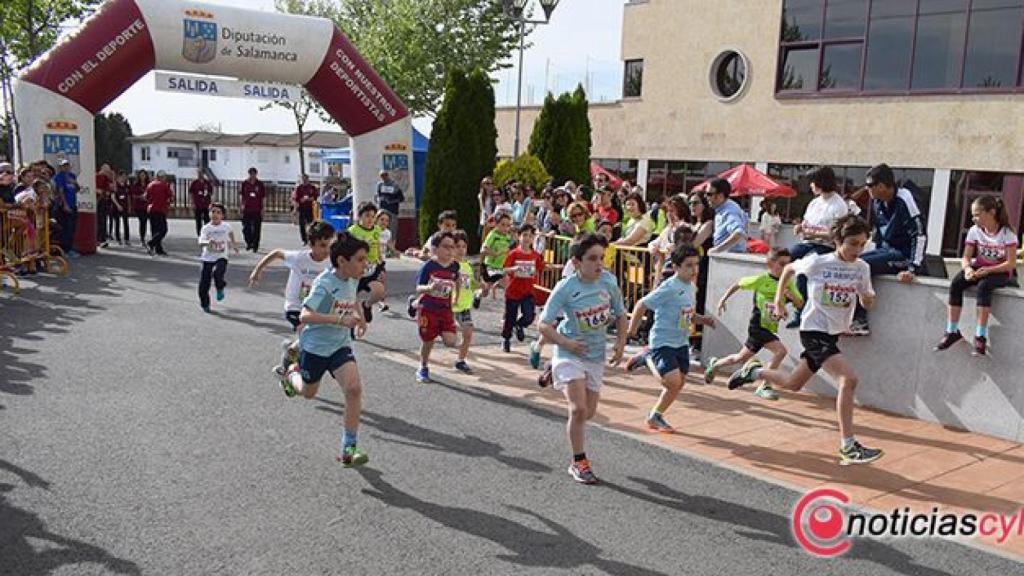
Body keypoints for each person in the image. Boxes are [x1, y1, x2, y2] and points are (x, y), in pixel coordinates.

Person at [727, 214, 884, 466]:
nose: (857, 250)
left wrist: (867, 300)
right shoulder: (818, 262)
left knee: (792, 383)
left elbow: (868, 297)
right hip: (813, 330)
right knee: (849, 380)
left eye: (862, 244)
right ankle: (848, 446)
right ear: (837, 241)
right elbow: (788, 269)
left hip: (832, 333)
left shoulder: (861, 268)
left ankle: (755, 373)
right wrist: (779, 300)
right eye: (852, 243)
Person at [538, 232, 627, 484]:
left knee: (588, 412)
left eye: (602, 258)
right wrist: (565, 343)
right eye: (592, 259)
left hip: (595, 355)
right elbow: (543, 325)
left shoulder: (609, 282)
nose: (599, 264)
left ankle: (550, 370)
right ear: (576, 262)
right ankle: (579, 462)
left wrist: (620, 343)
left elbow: (621, 314)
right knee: (577, 410)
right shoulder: (566, 288)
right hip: (569, 352)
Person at [282, 231, 371, 467]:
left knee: (353, 389)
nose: (365, 264)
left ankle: (348, 448)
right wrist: (340, 321)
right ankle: (290, 373)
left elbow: (352, 301)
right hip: (316, 348)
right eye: (361, 259)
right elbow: (305, 315)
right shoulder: (325, 283)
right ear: (342, 261)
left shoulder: (352, 279)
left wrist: (359, 317)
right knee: (308, 393)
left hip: (340, 345)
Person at [626, 244, 715, 432]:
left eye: (696, 265)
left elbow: (686, 313)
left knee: (678, 383)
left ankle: (655, 416)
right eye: (689, 265)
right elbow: (642, 304)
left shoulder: (691, 287)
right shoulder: (669, 287)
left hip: (681, 341)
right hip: (662, 340)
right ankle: (647, 356)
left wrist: (702, 319)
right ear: (675, 267)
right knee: (671, 382)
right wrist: (631, 330)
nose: (694, 270)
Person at [704, 248, 803, 400]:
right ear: (770, 264)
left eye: (788, 265)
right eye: (782, 264)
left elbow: (800, 303)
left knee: (740, 358)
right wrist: (723, 299)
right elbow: (738, 284)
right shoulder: (761, 280)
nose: (785, 269)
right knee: (780, 351)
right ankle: (764, 385)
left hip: (770, 327)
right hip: (758, 326)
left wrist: (791, 298)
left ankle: (716, 364)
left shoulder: (788, 284)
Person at [249, 220, 336, 386]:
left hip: (315, 310)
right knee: (309, 335)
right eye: (322, 245)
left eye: (329, 245)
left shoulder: (330, 263)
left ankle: (290, 353)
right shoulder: (298, 258)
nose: (326, 250)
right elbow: (276, 253)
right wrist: (257, 270)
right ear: (311, 244)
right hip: (295, 308)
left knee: (312, 337)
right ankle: (291, 368)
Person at [935, 196, 1018, 356]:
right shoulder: (974, 231)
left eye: (977, 214)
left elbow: (1011, 263)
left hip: (999, 271)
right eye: (973, 215)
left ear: (991, 213)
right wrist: (967, 269)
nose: (974, 219)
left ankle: (980, 336)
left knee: (984, 286)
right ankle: (952, 331)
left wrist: (988, 271)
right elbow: (966, 257)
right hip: (980, 267)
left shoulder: (1007, 233)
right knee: (957, 283)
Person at [850, 163, 925, 335]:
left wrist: (913, 267)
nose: (867, 190)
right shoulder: (877, 202)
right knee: (852, 259)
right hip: (886, 249)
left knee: (861, 265)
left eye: (870, 186)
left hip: (903, 254)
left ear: (882, 186)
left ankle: (860, 321)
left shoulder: (905, 199)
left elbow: (919, 234)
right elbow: (879, 232)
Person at [786, 166, 850, 328]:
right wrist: (800, 227)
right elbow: (807, 223)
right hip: (809, 242)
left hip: (827, 246)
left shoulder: (838, 205)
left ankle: (801, 311)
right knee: (785, 257)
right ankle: (785, 295)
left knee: (804, 268)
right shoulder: (814, 203)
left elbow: (836, 234)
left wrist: (813, 234)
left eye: (813, 182)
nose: (811, 186)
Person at [414, 231, 461, 384]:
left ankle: (440, 329)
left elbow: (457, 279)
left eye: (453, 247)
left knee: (450, 341)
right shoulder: (429, 266)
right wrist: (429, 288)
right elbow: (418, 288)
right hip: (428, 308)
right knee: (428, 341)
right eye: (446, 247)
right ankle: (423, 366)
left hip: (445, 309)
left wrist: (456, 296)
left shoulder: (454, 266)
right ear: (435, 249)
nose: (450, 251)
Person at [501, 224, 545, 353]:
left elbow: (541, 266)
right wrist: (513, 269)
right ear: (518, 237)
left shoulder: (535, 255)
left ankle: (519, 325)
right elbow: (504, 269)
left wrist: (556, 267)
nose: (527, 238)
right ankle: (506, 338)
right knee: (510, 317)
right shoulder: (513, 253)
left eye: (530, 236)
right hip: (513, 291)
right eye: (524, 235)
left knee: (529, 315)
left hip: (528, 291)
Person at [197, 203, 240, 313]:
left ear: (223, 216)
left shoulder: (226, 226)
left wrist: (234, 244)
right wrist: (207, 242)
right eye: (213, 212)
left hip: (221, 256)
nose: (215, 214)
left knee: (218, 273)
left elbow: (230, 233)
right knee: (203, 286)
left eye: (218, 212)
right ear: (209, 214)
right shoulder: (206, 228)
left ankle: (220, 287)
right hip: (207, 258)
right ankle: (205, 303)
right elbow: (201, 241)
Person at [347, 202, 387, 323]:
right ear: (359, 217)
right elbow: (346, 249)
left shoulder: (377, 230)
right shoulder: (353, 231)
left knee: (379, 291)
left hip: (371, 268)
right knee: (350, 299)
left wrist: (381, 264)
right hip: (356, 270)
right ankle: (351, 323)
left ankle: (367, 305)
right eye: (367, 216)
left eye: (373, 216)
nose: (370, 219)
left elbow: (378, 247)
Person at [451, 230, 477, 374]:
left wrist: (481, 286)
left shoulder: (467, 265)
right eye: (457, 246)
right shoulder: (449, 265)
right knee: (449, 338)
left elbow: (471, 283)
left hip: (464, 306)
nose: (461, 250)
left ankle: (460, 360)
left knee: (468, 333)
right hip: (449, 306)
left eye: (463, 246)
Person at [478, 212, 514, 301]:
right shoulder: (493, 235)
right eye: (503, 225)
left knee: (509, 286)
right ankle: (477, 295)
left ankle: (511, 308)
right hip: (490, 267)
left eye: (508, 225)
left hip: (502, 267)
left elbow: (510, 248)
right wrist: (495, 254)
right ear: (496, 224)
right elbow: (483, 249)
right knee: (485, 291)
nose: (505, 228)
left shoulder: (508, 237)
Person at [706, 178, 748, 254]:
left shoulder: (729, 211)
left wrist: (717, 250)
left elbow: (738, 233)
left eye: (709, 194)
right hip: (727, 258)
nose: (706, 197)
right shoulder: (724, 208)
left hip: (730, 259)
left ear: (720, 195)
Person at [53, 159, 80, 257]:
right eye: (63, 166)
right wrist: (65, 204)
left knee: (72, 228)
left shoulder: (72, 176)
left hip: (73, 204)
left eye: (67, 165)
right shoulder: (59, 177)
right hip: (64, 206)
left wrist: (75, 183)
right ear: (60, 167)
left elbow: (77, 189)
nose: (66, 167)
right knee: (65, 228)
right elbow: (60, 192)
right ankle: (64, 249)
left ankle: (70, 248)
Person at [144, 171, 172, 256]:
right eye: (164, 177)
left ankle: (158, 249)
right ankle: (151, 243)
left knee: (155, 230)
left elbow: (146, 197)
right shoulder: (164, 185)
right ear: (161, 177)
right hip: (160, 209)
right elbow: (170, 196)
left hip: (151, 210)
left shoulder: (150, 185)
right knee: (163, 230)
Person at [240, 167, 266, 252]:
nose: (252, 176)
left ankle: (255, 246)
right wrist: (241, 205)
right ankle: (249, 242)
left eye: (254, 174)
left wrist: (263, 208)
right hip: (247, 208)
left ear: (256, 174)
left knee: (256, 229)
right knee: (245, 228)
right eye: (251, 174)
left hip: (257, 209)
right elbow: (241, 195)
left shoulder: (260, 184)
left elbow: (263, 197)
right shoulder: (245, 183)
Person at [375, 170, 404, 242]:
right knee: (381, 230)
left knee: (392, 231)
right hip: (382, 210)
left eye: (385, 175)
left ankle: (392, 247)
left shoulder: (395, 185)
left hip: (392, 211)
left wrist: (391, 201)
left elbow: (401, 198)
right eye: (382, 176)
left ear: (388, 175)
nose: (383, 177)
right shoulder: (380, 185)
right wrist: (379, 199)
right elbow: (378, 195)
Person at [292, 173, 318, 245]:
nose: (304, 180)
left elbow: (315, 197)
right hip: (302, 208)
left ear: (308, 179)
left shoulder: (312, 187)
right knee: (302, 224)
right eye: (302, 179)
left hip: (310, 208)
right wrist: (296, 207)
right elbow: (296, 199)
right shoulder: (299, 188)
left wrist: (309, 199)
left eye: (305, 179)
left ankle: (310, 238)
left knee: (311, 224)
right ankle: (304, 240)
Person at [95, 164, 115, 248]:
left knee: (103, 220)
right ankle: (99, 239)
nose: (108, 172)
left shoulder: (107, 179)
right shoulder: (98, 177)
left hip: (104, 201)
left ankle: (102, 238)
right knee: (100, 220)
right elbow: (96, 188)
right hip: (99, 201)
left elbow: (112, 189)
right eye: (107, 171)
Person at [190, 168, 213, 237]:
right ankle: (199, 233)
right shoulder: (194, 182)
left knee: (207, 220)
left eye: (201, 173)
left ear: (203, 174)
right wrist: (192, 203)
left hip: (206, 204)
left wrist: (211, 202)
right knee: (198, 220)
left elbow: (211, 192)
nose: (200, 174)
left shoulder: (207, 183)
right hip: (198, 203)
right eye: (198, 173)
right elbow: (191, 193)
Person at [131, 170, 151, 246]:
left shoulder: (148, 184)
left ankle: (144, 237)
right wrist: (140, 197)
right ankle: (142, 238)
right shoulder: (136, 185)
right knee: (142, 221)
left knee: (144, 221)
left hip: (146, 206)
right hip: (139, 206)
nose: (142, 176)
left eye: (144, 175)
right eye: (141, 175)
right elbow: (133, 195)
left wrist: (147, 198)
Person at [112, 171, 130, 245]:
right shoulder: (115, 185)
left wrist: (129, 206)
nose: (124, 178)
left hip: (125, 206)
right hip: (116, 207)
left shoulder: (126, 186)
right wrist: (118, 205)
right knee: (117, 223)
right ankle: (118, 238)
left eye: (125, 177)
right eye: (123, 176)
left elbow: (128, 196)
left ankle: (126, 239)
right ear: (119, 177)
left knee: (126, 222)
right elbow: (112, 196)